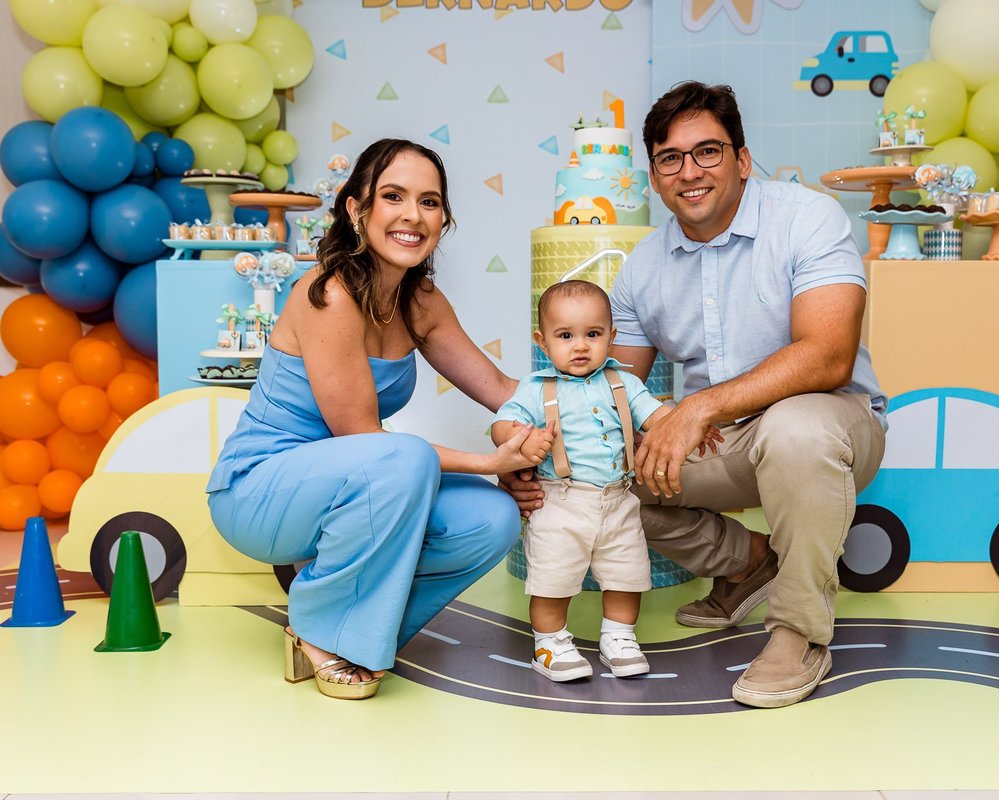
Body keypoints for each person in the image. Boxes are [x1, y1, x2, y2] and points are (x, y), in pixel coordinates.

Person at [207, 139, 553, 700]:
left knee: (492, 517)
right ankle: (321, 626)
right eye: (393, 196)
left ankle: (355, 628)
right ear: (356, 208)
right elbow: (363, 439)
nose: (413, 216)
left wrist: (581, 415)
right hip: (260, 491)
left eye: (430, 201)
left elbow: (505, 392)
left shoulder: (421, 302)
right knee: (404, 454)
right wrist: (493, 460)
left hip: (359, 486)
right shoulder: (329, 296)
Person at [610, 81, 888, 708]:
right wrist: (543, 445)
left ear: (741, 159)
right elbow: (613, 390)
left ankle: (800, 632)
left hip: (833, 425)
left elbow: (828, 353)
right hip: (725, 444)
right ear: (653, 176)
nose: (690, 171)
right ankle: (747, 562)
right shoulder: (644, 265)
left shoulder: (807, 216)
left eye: (708, 151)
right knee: (594, 472)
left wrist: (697, 406)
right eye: (670, 158)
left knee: (795, 429)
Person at [492, 280, 714, 682]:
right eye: (566, 336)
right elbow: (500, 425)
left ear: (611, 338)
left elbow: (655, 416)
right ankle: (549, 642)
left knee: (626, 572)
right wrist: (520, 437)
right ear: (543, 342)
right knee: (552, 577)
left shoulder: (623, 383)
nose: (580, 346)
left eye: (592, 335)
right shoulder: (536, 388)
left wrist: (687, 425)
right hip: (560, 501)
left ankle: (619, 636)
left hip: (619, 498)